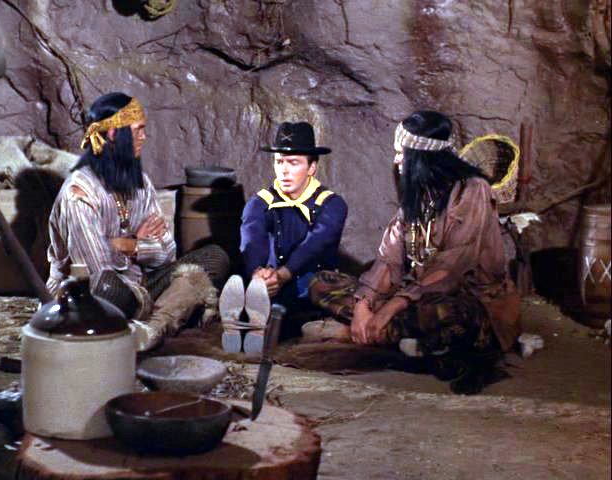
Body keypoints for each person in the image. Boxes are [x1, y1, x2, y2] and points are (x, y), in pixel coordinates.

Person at [309, 111, 521, 394]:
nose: (396, 161)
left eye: (402, 154)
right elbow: (388, 260)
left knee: (446, 313)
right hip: (409, 299)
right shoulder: (416, 194)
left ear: (424, 158)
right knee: (321, 281)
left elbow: (450, 270)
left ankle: (374, 332)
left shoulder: (472, 190)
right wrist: (362, 306)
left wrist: (388, 309)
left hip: (464, 299)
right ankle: (390, 335)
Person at [46, 92, 229, 350]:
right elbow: (96, 271)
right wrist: (136, 243)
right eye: (138, 130)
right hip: (90, 295)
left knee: (214, 257)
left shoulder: (141, 182)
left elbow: (166, 253)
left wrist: (125, 245)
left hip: (140, 284)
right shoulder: (79, 195)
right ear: (113, 134)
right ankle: (170, 311)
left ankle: (152, 329)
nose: (144, 137)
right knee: (106, 288)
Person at [219, 121, 348, 352]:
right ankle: (248, 320)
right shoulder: (260, 202)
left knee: (308, 304)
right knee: (247, 283)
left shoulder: (332, 204)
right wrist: (258, 274)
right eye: (279, 162)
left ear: (311, 167)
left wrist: (283, 274)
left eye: (293, 163)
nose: (284, 171)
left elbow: (315, 244)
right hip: (269, 284)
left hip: (309, 288)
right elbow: (251, 240)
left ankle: (255, 325)